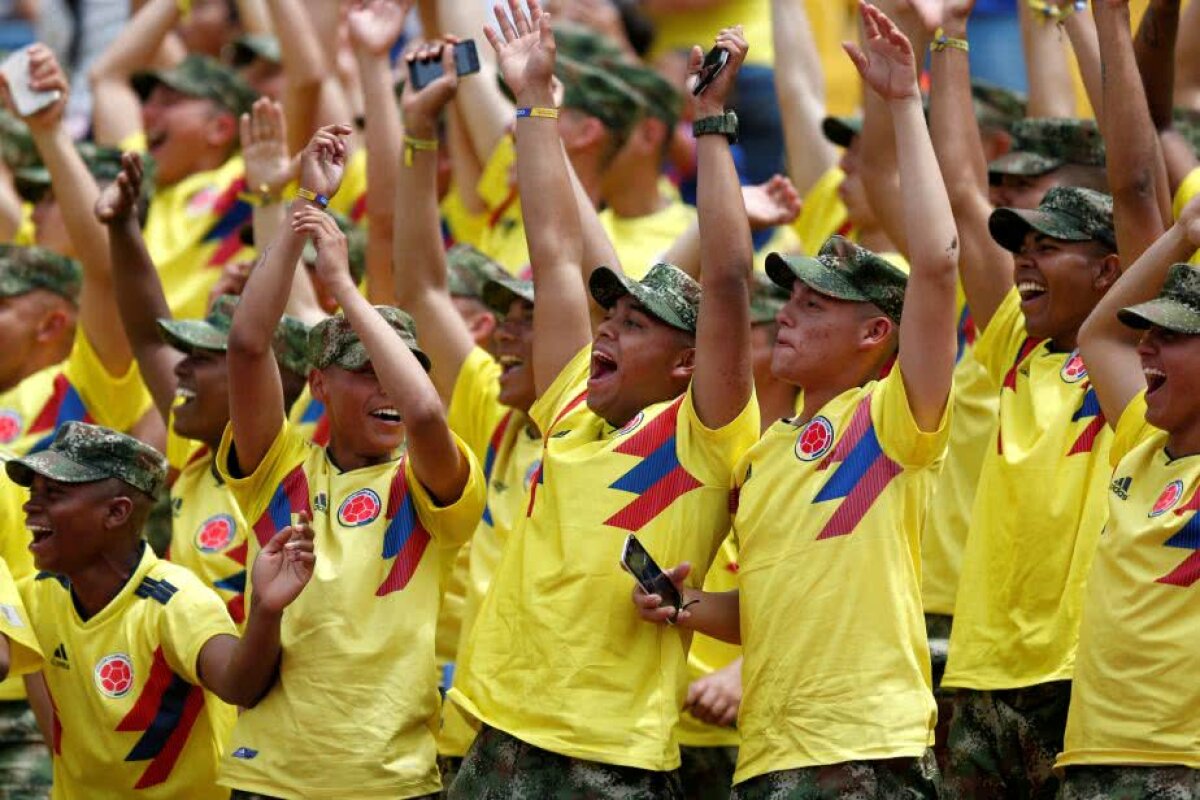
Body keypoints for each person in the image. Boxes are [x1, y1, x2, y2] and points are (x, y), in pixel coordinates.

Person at [634, 4, 959, 796]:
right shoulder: (765, 450)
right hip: (770, 752)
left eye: (816, 306)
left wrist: (903, 104)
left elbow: (941, 263)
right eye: (793, 300)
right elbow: (770, 609)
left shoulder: (891, 417)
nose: (789, 315)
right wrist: (689, 605)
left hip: (866, 749)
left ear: (876, 333)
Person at [449, 3, 758, 795]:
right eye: (609, 317)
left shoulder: (703, 434)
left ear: (691, 362)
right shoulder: (567, 409)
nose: (608, 333)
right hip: (496, 733)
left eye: (634, 325)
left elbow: (724, 281)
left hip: (610, 762)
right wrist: (534, 102)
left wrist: (711, 125)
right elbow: (551, 249)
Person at [217, 122, 486, 799]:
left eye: (396, 371)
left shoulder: (431, 481)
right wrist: (305, 204)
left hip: (390, 782)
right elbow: (248, 347)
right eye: (363, 371)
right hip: (268, 777)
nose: (388, 388)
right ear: (317, 385)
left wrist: (342, 285)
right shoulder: (280, 469)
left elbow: (426, 412)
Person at [10, 421, 316, 798]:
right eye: (32, 491)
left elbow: (240, 686)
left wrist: (265, 609)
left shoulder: (176, 602)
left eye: (53, 493)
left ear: (116, 513)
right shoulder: (35, 597)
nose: (29, 505)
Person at [385, 47, 542, 778]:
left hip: (558, 746)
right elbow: (421, 288)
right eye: (502, 315)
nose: (502, 333)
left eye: (526, 320)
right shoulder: (492, 404)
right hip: (469, 735)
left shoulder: (605, 428)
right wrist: (418, 134)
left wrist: (537, 109)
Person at [96, 150, 309, 625]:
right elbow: (149, 336)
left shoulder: (294, 468)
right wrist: (123, 226)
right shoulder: (200, 451)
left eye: (206, 358)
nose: (181, 369)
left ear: (272, 378)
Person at [1053, 198, 1200, 796]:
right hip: (1089, 750)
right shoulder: (1141, 441)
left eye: (1171, 337)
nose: (1145, 350)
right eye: (1149, 334)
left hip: (1180, 762)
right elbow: (1100, 333)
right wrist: (1183, 234)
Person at [91, 0, 259, 319]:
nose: (146, 112)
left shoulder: (252, 178)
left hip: (201, 358)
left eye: (168, 101)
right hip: (129, 351)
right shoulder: (138, 176)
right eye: (148, 100)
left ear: (220, 127)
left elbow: (306, 76)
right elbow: (108, 78)